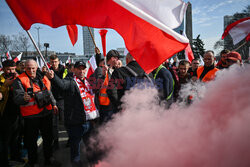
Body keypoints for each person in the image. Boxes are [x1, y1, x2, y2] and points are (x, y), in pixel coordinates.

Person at [46, 61, 99, 167]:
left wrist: (99, 59)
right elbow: (62, 85)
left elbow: (98, 82)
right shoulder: (70, 81)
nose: (81, 71)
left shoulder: (88, 81)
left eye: (83, 68)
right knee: (75, 151)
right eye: (79, 68)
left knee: (91, 147)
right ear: (74, 70)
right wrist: (53, 78)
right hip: (76, 122)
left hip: (89, 121)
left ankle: (94, 164)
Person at [12, 59, 60, 167]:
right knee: (31, 141)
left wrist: (54, 104)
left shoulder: (42, 77)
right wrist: (23, 98)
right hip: (31, 116)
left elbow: (48, 91)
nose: (31, 70)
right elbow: (17, 98)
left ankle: (49, 159)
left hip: (46, 113)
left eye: (33, 68)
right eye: (28, 68)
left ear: (37, 67)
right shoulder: (19, 80)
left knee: (48, 138)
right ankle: (33, 162)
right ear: (24, 68)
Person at [0, 60, 21, 167]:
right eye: (8, 69)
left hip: (17, 113)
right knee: (5, 140)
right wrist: (5, 86)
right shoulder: (1, 79)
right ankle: (4, 162)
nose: (11, 72)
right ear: (3, 69)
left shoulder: (18, 78)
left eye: (13, 69)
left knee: (16, 138)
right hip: (4, 114)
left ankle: (15, 156)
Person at [49, 54, 67, 150]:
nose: (54, 64)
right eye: (52, 62)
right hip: (51, 99)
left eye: (55, 61)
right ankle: (55, 141)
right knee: (54, 122)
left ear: (59, 61)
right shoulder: (48, 71)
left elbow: (64, 84)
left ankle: (70, 139)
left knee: (65, 120)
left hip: (62, 99)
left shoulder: (64, 70)